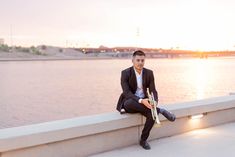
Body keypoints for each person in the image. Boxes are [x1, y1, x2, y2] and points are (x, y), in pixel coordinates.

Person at [116, 50, 176, 150]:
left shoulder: (149, 73)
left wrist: (155, 101)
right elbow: (127, 93)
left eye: (142, 60)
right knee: (134, 103)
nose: (140, 63)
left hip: (145, 103)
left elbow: (153, 90)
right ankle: (161, 110)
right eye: (138, 60)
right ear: (132, 61)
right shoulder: (125, 73)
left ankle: (143, 140)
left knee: (152, 115)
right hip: (129, 103)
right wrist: (141, 100)